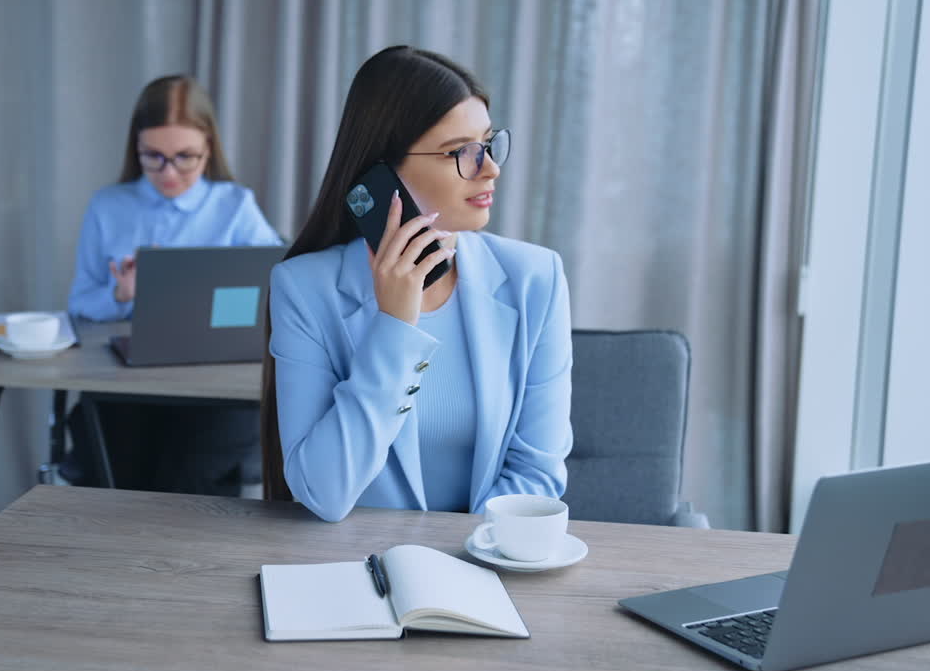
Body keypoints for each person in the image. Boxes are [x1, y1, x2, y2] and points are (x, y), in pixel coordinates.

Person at [261, 46, 573, 522]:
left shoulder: (536, 278)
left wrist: (461, 563)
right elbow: (321, 492)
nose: (490, 168)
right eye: (461, 153)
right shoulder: (304, 289)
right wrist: (394, 326)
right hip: (355, 569)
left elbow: (537, 473)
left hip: (488, 565)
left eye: (489, 144)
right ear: (382, 174)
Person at [65, 75, 281, 493]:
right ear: (136, 150)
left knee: (193, 476)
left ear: (209, 149)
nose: (169, 173)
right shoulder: (108, 207)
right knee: (114, 463)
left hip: (214, 382)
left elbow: (276, 287)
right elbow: (79, 303)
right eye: (153, 157)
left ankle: (179, 556)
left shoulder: (235, 206)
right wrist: (122, 294)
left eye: (185, 157)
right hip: (128, 383)